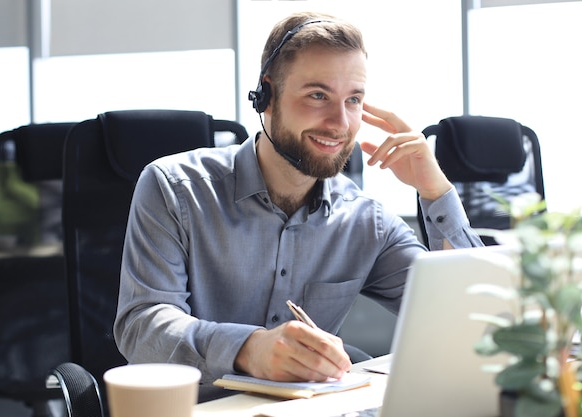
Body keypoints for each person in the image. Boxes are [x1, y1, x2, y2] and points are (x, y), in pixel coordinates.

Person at [113, 11, 483, 402]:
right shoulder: (174, 188)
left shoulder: (366, 221)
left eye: (353, 100)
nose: (339, 122)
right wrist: (249, 348)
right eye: (318, 95)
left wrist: (435, 190)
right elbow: (142, 329)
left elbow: (471, 321)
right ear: (266, 97)